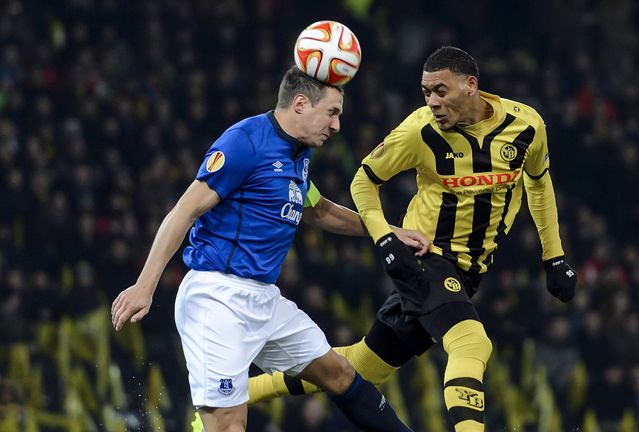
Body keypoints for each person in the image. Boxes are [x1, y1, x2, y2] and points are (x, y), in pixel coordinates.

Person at [232, 46, 578, 432]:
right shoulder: (419, 130)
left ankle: (241, 392)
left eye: (440, 91)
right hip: (425, 256)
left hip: (469, 270)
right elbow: (364, 180)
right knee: (471, 343)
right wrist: (386, 241)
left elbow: (539, 184)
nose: (432, 102)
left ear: (471, 86)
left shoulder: (527, 126)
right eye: (426, 92)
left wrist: (555, 257)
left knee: (362, 366)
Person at [110, 67, 427, 432]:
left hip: (264, 299)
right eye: (333, 113)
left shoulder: (299, 154)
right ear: (300, 104)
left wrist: (387, 232)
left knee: (338, 373)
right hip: (218, 299)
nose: (337, 125)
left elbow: (320, 211)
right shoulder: (245, 142)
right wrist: (144, 286)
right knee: (229, 425)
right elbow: (185, 210)